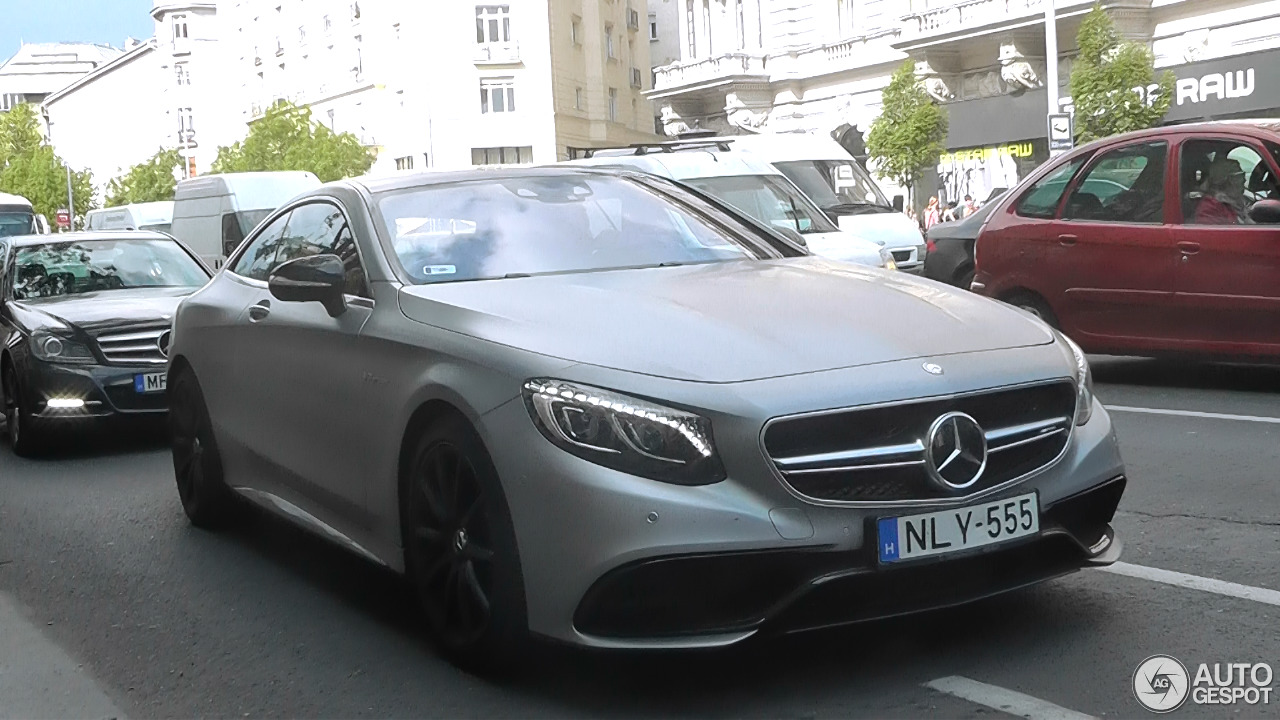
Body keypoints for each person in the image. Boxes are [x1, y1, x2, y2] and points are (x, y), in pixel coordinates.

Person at [1194, 156, 1250, 225]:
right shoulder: (1209, 208)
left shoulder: (1238, 202)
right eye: (1240, 176)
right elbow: (1211, 234)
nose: (1244, 180)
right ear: (1227, 180)